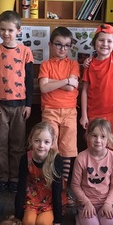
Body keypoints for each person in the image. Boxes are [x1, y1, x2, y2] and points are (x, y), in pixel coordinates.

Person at [0, 10, 34, 193]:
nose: (6, 33)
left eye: (10, 30)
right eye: (2, 29)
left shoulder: (26, 52)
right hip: (0, 105)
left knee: (18, 144)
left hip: (20, 105)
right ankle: (1, 177)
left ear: (19, 31)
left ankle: (15, 177)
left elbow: (29, 80)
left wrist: (29, 104)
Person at [71, 118, 113, 225]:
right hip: (87, 203)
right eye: (94, 136)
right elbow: (75, 186)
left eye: (103, 136)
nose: (98, 140)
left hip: (105, 203)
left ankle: (98, 219)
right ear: (88, 136)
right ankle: (78, 215)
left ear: (109, 138)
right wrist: (86, 203)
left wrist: (108, 204)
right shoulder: (81, 158)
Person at [38, 27, 79, 188]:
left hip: (70, 111)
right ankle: (51, 183)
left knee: (67, 150)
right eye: (58, 44)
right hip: (50, 110)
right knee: (50, 148)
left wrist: (52, 82)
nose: (63, 49)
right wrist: (66, 81)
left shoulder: (73, 64)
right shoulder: (46, 64)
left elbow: (71, 88)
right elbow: (43, 88)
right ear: (50, 44)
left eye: (67, 45)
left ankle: (63, 185)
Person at [80, 24, 113, 149]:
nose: (105, 44)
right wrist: (84, 115)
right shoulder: (89, 65)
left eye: (109, 41)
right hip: (93, 114)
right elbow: (84, 91)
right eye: (101, 40)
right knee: (94, 147)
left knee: (111, 148)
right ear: (94, 42)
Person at [14, 122, 64, 225]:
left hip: (49, 200)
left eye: (46, 142)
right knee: (28, 224)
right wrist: (17, 217)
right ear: (31, 140)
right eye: (37, 141)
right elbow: (21, 187)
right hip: (32, 198)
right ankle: (31, 214)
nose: (41, 145)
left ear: (52, 143)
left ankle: (49, 216)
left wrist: (57, 221)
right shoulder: (25, 159)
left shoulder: (56, 160)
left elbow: (57, 190)